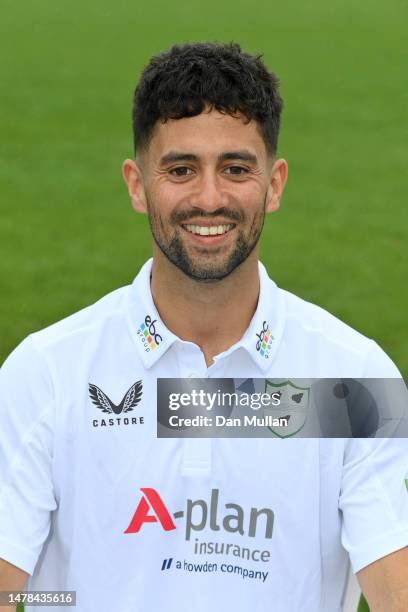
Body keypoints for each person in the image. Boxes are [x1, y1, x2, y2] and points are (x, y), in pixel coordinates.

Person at [0, 42, 407, 612]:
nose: (209, 198)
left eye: (236, 169)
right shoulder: (45, 375)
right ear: (137, 184)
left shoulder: (353, 381)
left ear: (275, 183)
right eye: (181, 169)